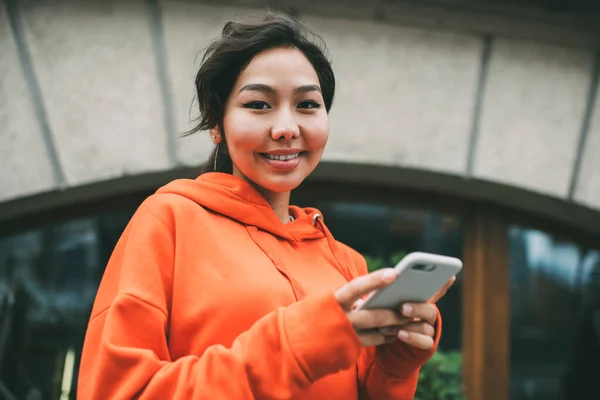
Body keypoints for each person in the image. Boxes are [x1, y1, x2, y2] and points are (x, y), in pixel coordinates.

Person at [77, 12, 454, 399]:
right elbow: (118, 391)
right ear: (216, 124)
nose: (287, 127)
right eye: (259, 104)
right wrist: (297, 343)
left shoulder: (346, 264)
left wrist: (392, 368)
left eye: (308, 104)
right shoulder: (169, 220)